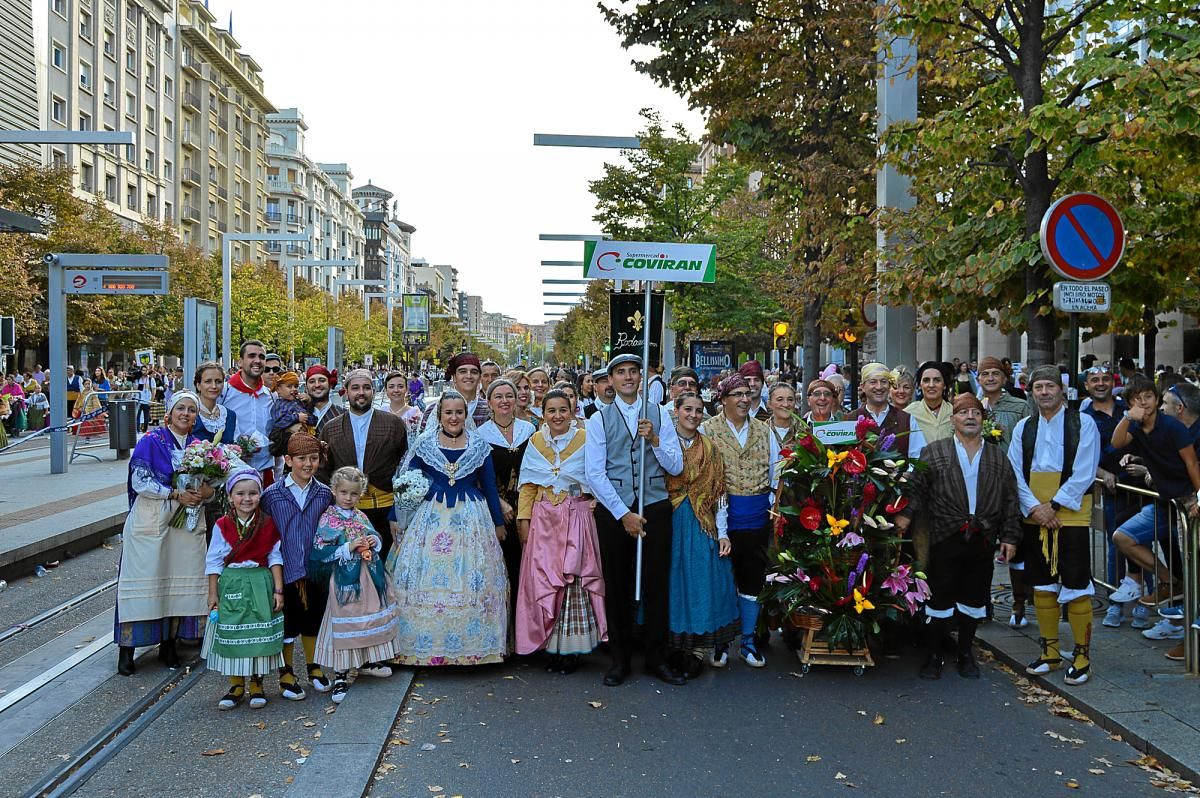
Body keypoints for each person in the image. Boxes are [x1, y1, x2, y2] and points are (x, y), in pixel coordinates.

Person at [897, 394, 1022, 680]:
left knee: (974, 596)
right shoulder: (935, 451)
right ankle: (934, 654)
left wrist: (1010, 537)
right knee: (938, 596)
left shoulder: (996, 456)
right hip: (944, 535)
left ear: (983, 419)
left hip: (983, 536)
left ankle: (966, 653)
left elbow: (1010, 499)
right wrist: (904, 516)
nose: (969, 417)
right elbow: (917, 488)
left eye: (975, 413)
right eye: (963, 412)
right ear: (953, 419)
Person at [388, 390, 509, 666]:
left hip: (471, 519)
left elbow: (489, 487)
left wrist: (498, 524)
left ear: (466, 416)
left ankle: (474, 648)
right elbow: (408, 481)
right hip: (430, 518)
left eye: (459, 412)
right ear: (439, 416)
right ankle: (424, 647)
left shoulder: (479, 446)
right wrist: (395, 515)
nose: (453, 417)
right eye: (448, 412)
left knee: (472, 576)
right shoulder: (425, 444)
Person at [586, 354, 685, 686]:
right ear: (610, 380)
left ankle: (657, 659)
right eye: (620, 373)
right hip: (616, 509)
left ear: (641, 377)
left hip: (655, 504)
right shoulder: (598, 419)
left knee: (657, 583)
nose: (627, 377)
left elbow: (675, 466)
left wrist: (655, 440)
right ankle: (620, 660)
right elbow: (594, 474)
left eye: (632, 372)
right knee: (617, 584)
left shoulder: (660, 415)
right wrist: (623, 513)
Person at [1008, 365, 1101, 686]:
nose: (1044, 392)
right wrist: (1035, 508)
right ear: (1031, 392)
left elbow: (1085, 470)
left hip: (1070, 512)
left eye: (1050, 386)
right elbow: (1014, 472)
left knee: (1075, 583)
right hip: (1035, 513)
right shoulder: (1024, 427)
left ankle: (1081, 655)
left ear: (1061, 390)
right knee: (1041, 583)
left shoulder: (1083, 423)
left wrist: (1055, 505)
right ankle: (1049, 651)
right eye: (1038, 387)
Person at [114, 391, 213, 676]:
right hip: (152, 518)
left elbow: (211, 485)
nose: (186, 413)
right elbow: (139, 480)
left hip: (185, 523)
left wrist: (204, 492)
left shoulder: (200, 446)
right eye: (181, 408)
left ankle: (168, 645)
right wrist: (174, 493)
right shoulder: (151, 441)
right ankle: (127, 648)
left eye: (192, 410)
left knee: (177, 585)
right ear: (168, 412)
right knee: (144, 581)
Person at [514, 389, 607, 673]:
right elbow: (528, 487)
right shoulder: (535, 441)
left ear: (572, 411)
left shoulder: (585, 438)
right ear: (543, 414)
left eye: (562, 410)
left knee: (573, 580)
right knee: (544, 580)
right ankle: (549, 644)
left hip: (575, 515)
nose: (557, 416)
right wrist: (524, 523)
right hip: (544, 520)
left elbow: (598, 475)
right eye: (551, 411)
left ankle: (570, 650)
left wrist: (596, 502)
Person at [700, 374, 777, 668]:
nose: (745, 399)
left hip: (756, 514)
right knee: (722, 579)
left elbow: (774, 470)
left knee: (752, 578)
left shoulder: (763, 429)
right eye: (737, 395)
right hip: (721, 513)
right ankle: (721, 642)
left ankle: (748, 641)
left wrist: (771, 504)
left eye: (747, 393)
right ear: (723, 399)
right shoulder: (709, 429)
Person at [1108, 374, 1200, 608]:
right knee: (1122, 537)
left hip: (1187, 501)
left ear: (1157, 400)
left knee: (1191, 561)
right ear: (1129, 403)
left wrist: (1199, 499)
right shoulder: (1136, 426)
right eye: (1137, 399)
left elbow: (1192, 464)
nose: (1144, 403)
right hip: (1165, 501)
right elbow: (1117, 443)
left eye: (1148, 397)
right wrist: (1128, 418)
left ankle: (1188, 626)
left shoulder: (1173, 426)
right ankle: (1168, 581)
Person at [311, 466, 397, 703]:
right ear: (334, 491)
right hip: (344, 581)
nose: (349, 498)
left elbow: (373, 533)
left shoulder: (360, 515)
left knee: (369, 616)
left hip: (367, 576)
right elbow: (320, 550)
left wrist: (374, 540)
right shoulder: (329, 518)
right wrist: (348, 547)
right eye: (344, 493)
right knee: (346, 622)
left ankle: (367, 660)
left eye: (354, 494)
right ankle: (341, 675)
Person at [666, 392, 738, 676]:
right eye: (688, 409)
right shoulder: (663, 443)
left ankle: (696, 649)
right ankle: (673, 647)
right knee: (672, 582)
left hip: (700, 524)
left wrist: (723, 533)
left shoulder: (710, 448)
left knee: (699, 583)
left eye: (698, 410)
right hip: (670, 520)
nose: (693, 415)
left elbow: (719, 493)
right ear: (677, 410)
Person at [260, 433, 335, 700]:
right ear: (288, 460)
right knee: (287, 624)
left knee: (314, 619)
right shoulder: (272, 496)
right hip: (285, 569)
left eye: (313, 459)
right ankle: (286, 672)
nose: (307, 464)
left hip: (314, 569)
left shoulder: (325, 494)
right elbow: (265, 534)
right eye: (301, 459)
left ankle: (314, 667)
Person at [203, 469, 285, 710]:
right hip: (233, 583)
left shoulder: (267, 524)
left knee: (258, 632)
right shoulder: (223, 525)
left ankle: (257, 683)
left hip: (260, 581)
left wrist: (278, 590)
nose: (246, 499)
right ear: (230, 497)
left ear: (260, 494)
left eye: (253, 493)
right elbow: (214, 560)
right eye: (240, 493)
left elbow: (274, 556)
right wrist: (212, 592)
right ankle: (236, 684)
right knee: (234, 631)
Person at [317, 369, 408, 557]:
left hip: (385, 509)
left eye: (366, 387)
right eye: (355, 388)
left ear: (373, 391)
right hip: (346, 511)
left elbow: (403, 466)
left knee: (385, 567)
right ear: (346, 391)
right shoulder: (331, 428)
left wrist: (398, 512)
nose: (361, 392)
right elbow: (324, 470)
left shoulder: (393, 424)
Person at [478, 378, 536, 613]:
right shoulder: (481, 434)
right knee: (503, 568)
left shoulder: (529, 429)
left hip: (527, 507)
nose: (504, 401)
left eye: (508, 396)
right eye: (498, 396)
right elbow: (480, 478)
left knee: (527, 567)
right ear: (489, 402)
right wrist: (500, 505)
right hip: (498, 509)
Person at [220, 340, 275, 484]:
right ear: (240, 362)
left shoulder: (270, 396)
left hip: (265, 473)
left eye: (262, 357)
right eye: (252, 356)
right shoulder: (224, 392)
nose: (257, 361)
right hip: (231, 474)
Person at [848, 363, 916, 459]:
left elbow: (917, 456)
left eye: (884, 382)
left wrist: (907, 473)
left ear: (889, 385)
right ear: (863, 387)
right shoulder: (849, 419)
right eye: (873, 382)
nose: (879, 387)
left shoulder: (907, 420)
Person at [906, 361, 955, 458]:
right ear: (920, 385)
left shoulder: (955, 412)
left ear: (944, 385)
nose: (931, 385)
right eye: (926, 380)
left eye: (937, 380)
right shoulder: (908, 413)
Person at [193, 362, 238, 445]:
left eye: (218, 381)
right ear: (198, 385)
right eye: (208, 381)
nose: (214, 386)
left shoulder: (230, 415)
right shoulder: (189, 413)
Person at [305, 365, 344, 435]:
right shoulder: (296, 413)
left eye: (322, 380)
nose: (317, 385)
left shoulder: (343, 415)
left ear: (330, 384)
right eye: (312, 381)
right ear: (306, 387)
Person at [383, 370, 422, 441]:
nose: (396, 390)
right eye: (391, 387)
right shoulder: (381, 412)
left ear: (406, 389)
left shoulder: (414, 413)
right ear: (386, 391)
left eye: (400, 386)